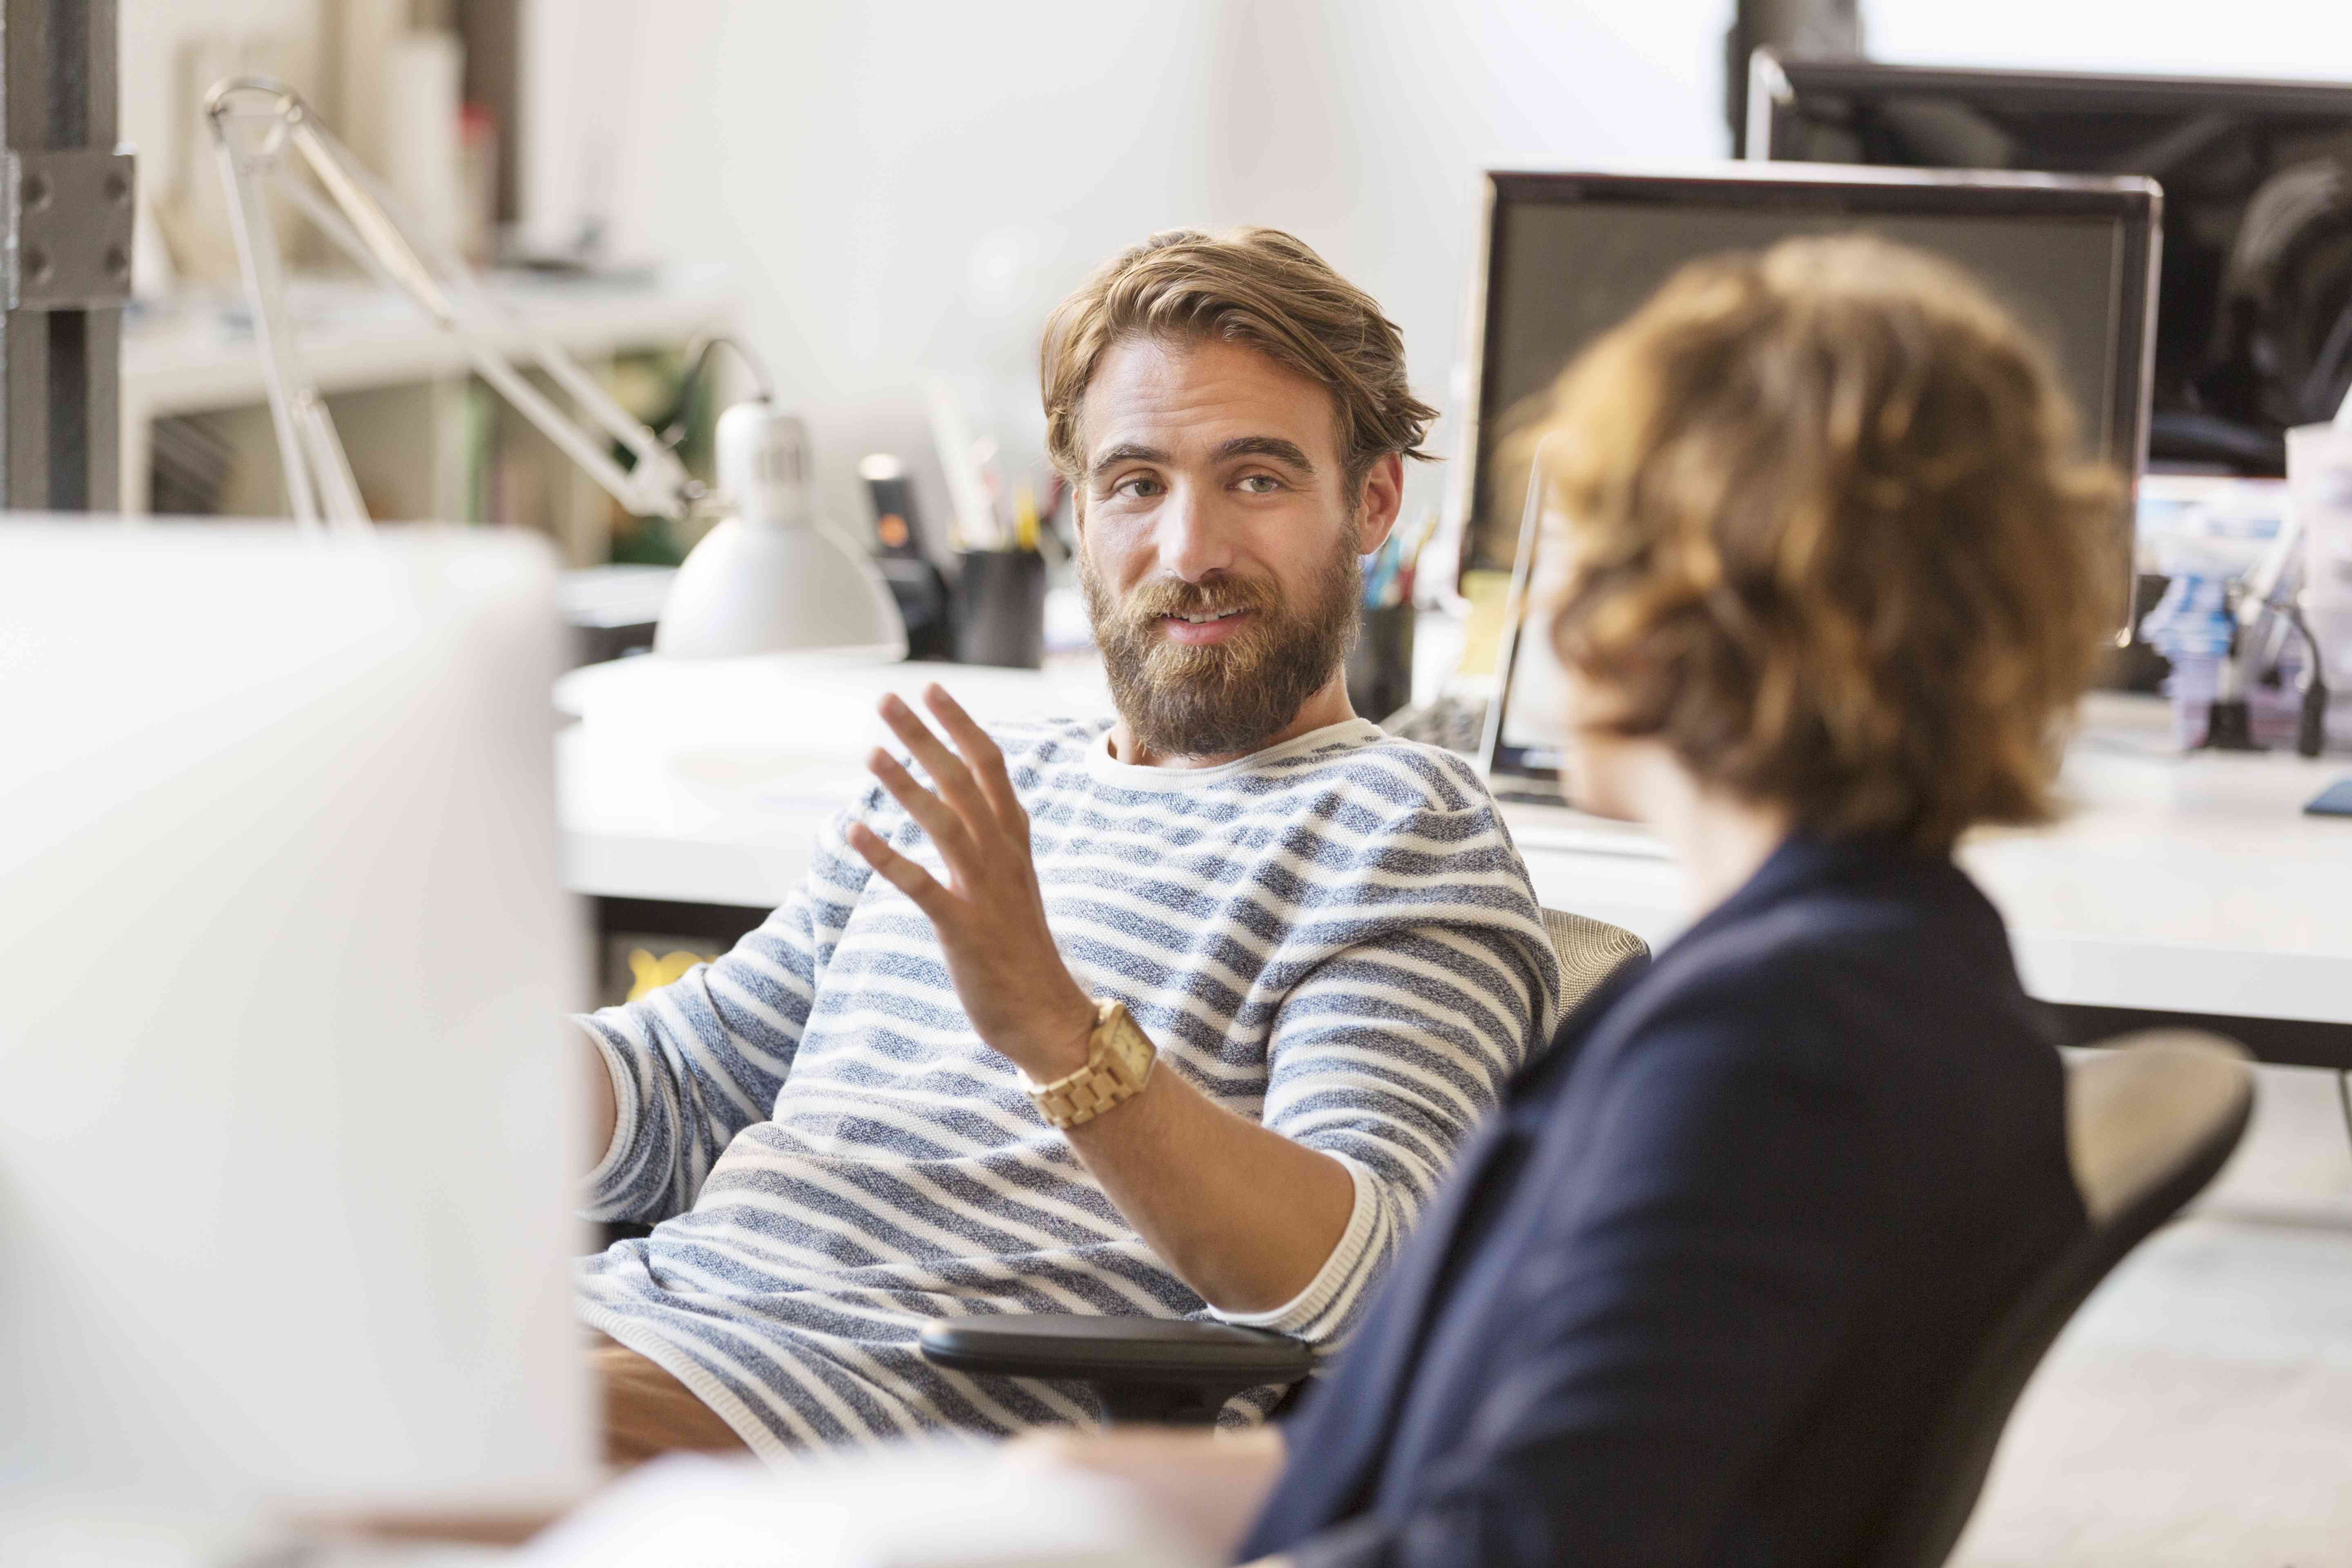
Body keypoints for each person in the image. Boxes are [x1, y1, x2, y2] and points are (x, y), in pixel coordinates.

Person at [1044, 234, 2122, 1568]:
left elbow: (1528, 1540)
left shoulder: (1783, 1057)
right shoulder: (1861, 969)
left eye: (1582, 540)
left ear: (1703, 603)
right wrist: (1033, 1500)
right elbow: (1398, 1463)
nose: (1541, 597)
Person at [573, 227, 1561, 1462]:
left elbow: (1363, 1279)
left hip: (841, 1433)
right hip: (618, 1334)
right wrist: (442, 1054)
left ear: (1369, 504)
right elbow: (677, 1094)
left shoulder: (1400, 830)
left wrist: (1053, 1024)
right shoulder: (979, 781)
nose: (1189, 552)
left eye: (1255, 480)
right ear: (1076, 510)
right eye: (1137, 484)